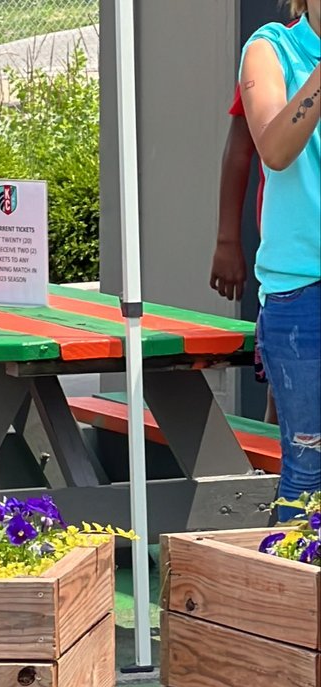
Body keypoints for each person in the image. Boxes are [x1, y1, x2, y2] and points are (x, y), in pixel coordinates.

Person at [240, 0, 320, 519]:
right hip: (302, 291)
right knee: (308, 468)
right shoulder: (272, 48)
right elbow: (273, 148)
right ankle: (296, 595)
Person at [209, 4, 301, 425]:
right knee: (284, 395)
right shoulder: (274, 51)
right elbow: (240, 149)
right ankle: (271, 481)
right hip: (293, 265)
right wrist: (228, 240)